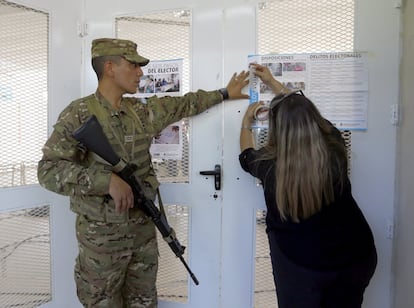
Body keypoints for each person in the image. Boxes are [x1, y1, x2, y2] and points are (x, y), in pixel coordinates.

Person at [37, 37, 249, 307]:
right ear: (110, 68)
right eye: (134, 65)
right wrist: (106, 181)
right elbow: (48, 170)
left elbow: (184, 104)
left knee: (144, 301)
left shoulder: (139, 112)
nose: (141, 72)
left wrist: (223, 93)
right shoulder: (78, 114)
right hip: (101, 243)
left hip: (142, 235)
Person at [239, 63, 377, 308]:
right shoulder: (335, 146)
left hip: (302, 268)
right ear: (313, 118)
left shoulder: (269, 166)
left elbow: (246, 154)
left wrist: (246, 121)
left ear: (277, 129)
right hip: (355, 256)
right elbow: (305, 114)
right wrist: (273, 83)